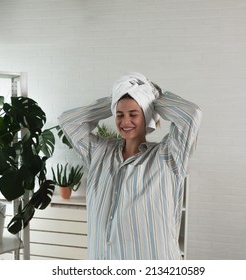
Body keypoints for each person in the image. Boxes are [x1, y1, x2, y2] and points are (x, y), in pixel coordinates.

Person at [58, 72, 202, 260]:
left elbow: (191, 115)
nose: (125, 121)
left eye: (133, 114)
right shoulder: (99, 153)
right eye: (119, 114)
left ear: (146, 116)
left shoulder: (168, 156)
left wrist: (151, 94)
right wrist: (118, 96)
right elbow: (69, 121)